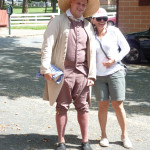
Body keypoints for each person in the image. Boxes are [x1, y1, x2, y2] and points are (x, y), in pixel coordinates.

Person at [40, 0, 100, 150]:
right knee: (62, 107)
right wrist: (45, 68)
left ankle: (85, 142)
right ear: (71, 3)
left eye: (83, 5)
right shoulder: (58, 21)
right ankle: (61, 142)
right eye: (78, 3)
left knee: (84, 107)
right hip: (62, 72)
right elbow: (48, 44)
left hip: (82, 73)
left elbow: (92, 52)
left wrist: (92, 74)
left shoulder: (87, 25)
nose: (80, 7)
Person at [91, 8, 133, 149]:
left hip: (115, 72)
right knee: (102, 106)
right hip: (98, 76)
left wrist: (115, 59)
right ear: (93, 20)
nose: (102, 21)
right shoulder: (90, 34)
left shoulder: (114, 31)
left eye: (104, 18)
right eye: (99, 19)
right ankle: (104, 136)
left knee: (118, 105)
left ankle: (124, 135)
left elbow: (126, 48)